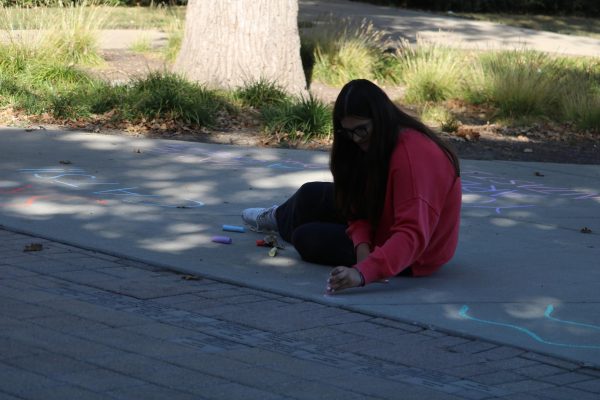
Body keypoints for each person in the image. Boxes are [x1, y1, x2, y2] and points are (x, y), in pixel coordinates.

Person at [242, 79, 461, 293]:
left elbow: (412, 234)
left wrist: (364, 272)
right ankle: (279, 219)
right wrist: (361, 246)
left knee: (306, 237)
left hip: (414, 255)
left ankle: (284, 224)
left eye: (361, 130)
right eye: (347, 132)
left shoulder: (414, 158)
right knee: (309, 195)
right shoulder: (370, 141)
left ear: (380, 119)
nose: (355, 139)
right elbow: (357, 203)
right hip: (383, 222)